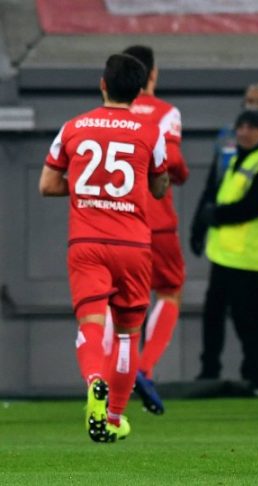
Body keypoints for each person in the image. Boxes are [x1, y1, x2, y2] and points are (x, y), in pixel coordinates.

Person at [39, 53, 169, 442]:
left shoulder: (73, 127)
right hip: (133, 245)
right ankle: (113, 418)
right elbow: (159, 186)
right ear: (140, 91)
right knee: (128, 335)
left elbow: (47, 184)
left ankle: (95, 379)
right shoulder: (151, 131)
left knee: (91, 324)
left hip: (87, 243)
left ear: (103, 84)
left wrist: (86, 188)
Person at [194, 109, 258, 391]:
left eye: (251, 127)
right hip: (229, 256)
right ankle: (227, 373)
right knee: (228, 319)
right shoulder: (236, 159)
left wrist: (216, 215)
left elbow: (253, 206)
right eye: (241, 126)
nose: (244, 132)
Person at [120, 45, 190, 415]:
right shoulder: (165, 113)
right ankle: (143, 368)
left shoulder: (105, 116)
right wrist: (180, 173)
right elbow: (173, 160)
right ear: (152, 74)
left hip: (117, 221)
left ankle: (109, 374)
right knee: (169, 291)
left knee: (115, 302)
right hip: (158, 220)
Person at [190, 82, 258, 259]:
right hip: (227, 234)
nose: (255, 106)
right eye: (250, 101)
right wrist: (198, 226)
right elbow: (213, 184)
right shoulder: (227, 136)